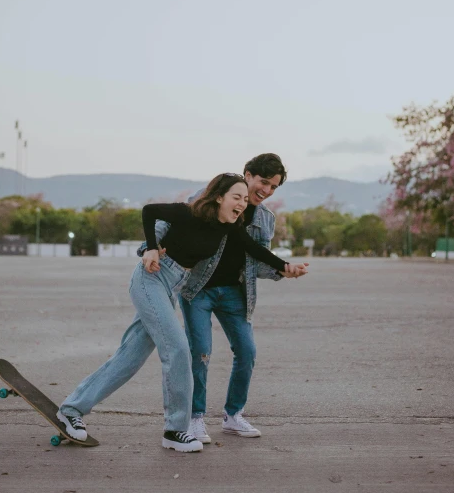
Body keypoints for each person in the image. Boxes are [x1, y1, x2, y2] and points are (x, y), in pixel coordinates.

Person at [57, 173, 302, 453]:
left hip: (172, 287)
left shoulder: (228, 227)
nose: (242, 204)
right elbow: (149, 211)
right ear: (219, 197)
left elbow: (254, 249)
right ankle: (176, 430)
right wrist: (150, 248)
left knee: (129, 357)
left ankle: (72, 409)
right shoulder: (190, 213)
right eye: (237, 197)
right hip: (152, 278)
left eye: (245, 200)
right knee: (178, 349)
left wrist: (286, 267)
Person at [142, 153, 308, 444]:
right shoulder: (210, 196)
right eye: (263, 182)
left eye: (274, 188)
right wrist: (149, 248)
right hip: (198, 289)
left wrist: (284, 269)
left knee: (247, 352)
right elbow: (165, 222)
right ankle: (194, 419)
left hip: (236, 292)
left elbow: (258, 257)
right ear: (247, 174)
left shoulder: (264, 218)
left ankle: (233, 416)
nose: (267, 191)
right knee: (201, 353)